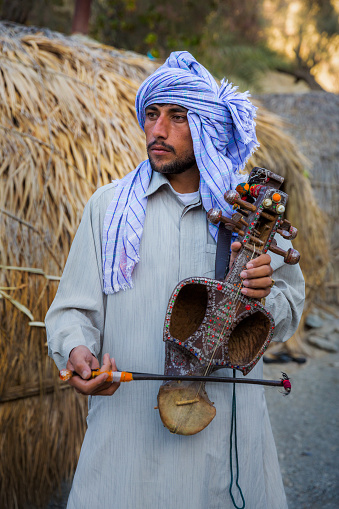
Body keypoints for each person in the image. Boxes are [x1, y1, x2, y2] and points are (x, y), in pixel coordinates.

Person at [46, 51, 305, 509]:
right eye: (151, 113)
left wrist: (264, 299)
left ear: (206, 126)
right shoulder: (108, 208)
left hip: (224, 451)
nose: (157, 130)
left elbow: (289, 308)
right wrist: (76, 351)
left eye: (177, 116)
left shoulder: (250, 212)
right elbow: (73, 311)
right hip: (126, 447)